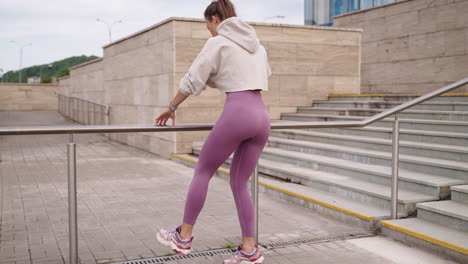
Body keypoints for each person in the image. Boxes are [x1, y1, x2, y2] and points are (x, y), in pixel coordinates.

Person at [154, 0, 271, 263]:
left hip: (238, 112)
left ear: (215, 19)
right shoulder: (259, 46)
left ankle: (183, 237)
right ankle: (250, 249)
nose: (209, 31)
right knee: (240, 182)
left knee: (203, 171)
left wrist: (172, 106)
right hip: (262, 116)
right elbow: (262, 74)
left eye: (208, 25)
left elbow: (193, 79)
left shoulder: (217, 42)